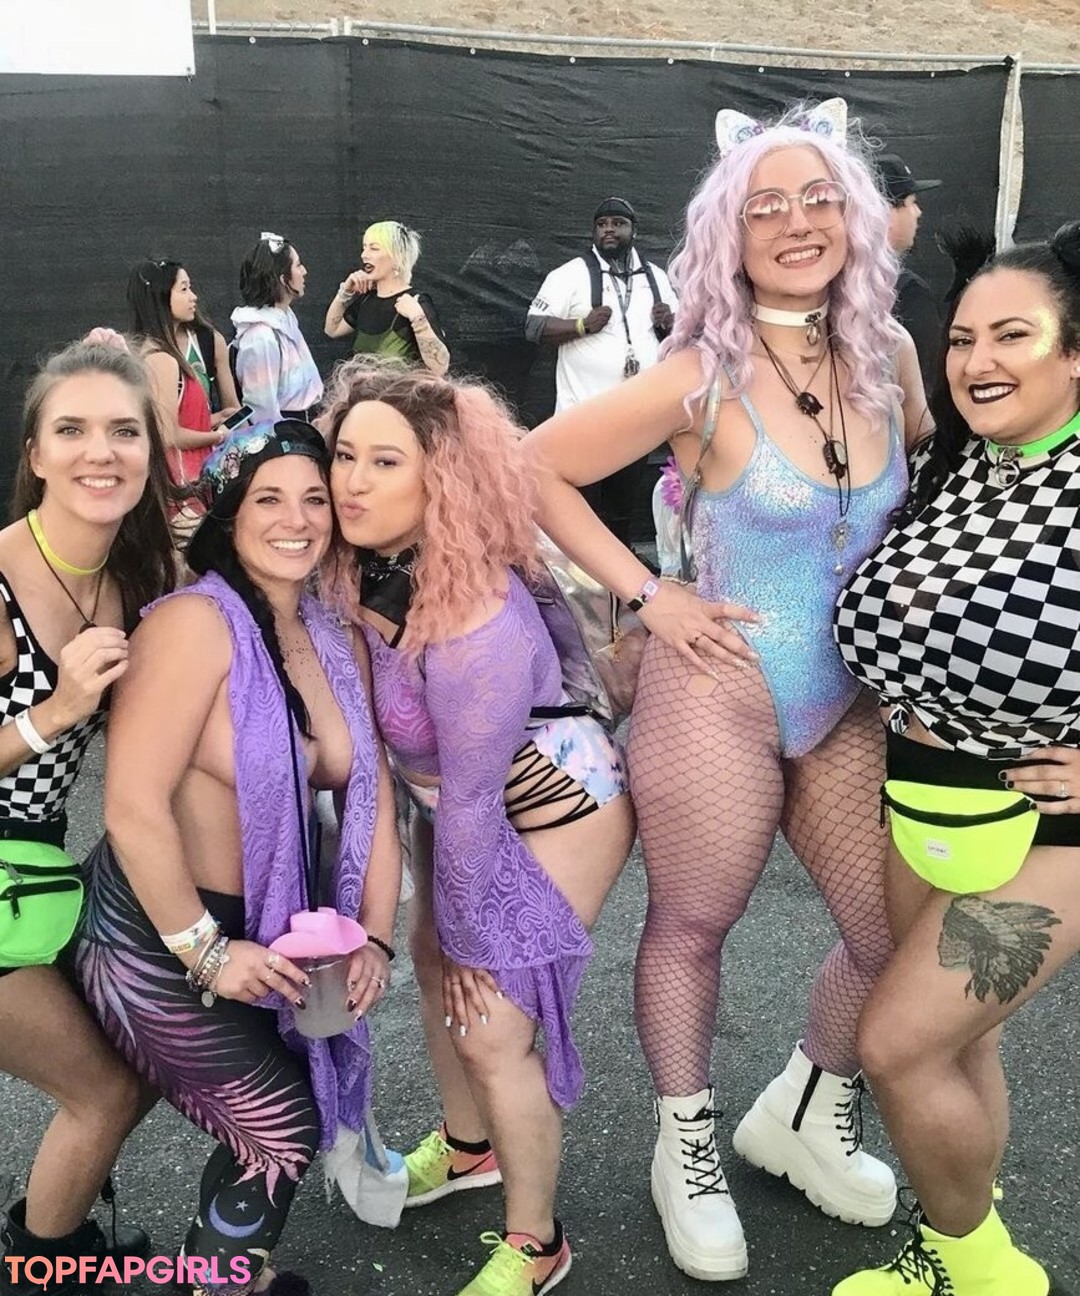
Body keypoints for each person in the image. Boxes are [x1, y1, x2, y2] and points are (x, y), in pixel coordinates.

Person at [525, 99, 931, 1281]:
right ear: (729, 238)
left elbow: (919, 474)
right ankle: (685, 1146)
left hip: (850, 696)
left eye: (818, 199)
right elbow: (534, 467)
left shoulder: (891, 355)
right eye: (766, 208)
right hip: (719, 688)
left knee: (891, 935)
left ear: (853, 216)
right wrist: (649, 597)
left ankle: (805, 1105)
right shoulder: (700, 373)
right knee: (694, 925)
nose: (797, 222)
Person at [320, 360, 635, 1296]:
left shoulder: (472, 624)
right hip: (454, 804)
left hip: (554, 812)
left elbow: (470, 805)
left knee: (490, 1024)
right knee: (433, 971)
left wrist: (466, 937)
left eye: (385, 462)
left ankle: (538, 1243)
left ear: (441, 481)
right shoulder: (367, 568)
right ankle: (470, 1150)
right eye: (344, 455)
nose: (352, 482)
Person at [74, 422, 401, 1296]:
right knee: (281, 1124)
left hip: (274, 932)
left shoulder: (332, 633)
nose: (297, 520)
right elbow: (132, 805)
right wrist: (207, 952)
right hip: (152, 931)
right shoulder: (192, 624)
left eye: (314, 499)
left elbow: (371, 793)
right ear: (228, 512)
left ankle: (227, 1273)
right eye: (269, 499)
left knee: (288, 1102)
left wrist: (374, 937)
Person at [830, 227, 1080, 1296]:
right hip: (922, 798)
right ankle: (951, 1249)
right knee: (960, 1046)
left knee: (896, 1046)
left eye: (1013, 335)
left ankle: (987, 1273)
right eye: (964, 337)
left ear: (1075, 351)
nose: (978, 360)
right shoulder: (957, 462)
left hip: (1047, 824)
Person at [0, 337, 175, 1294]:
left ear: (150, 452)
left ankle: (51, 1242)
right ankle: (46, 1268)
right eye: (70, 430)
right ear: (34, 454)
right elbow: (57, 723)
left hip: (36, 873)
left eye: (123, 431)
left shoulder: (132, 580)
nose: (99, 452)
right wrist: (57, 711)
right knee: (103, 1091)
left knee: (137, 1065)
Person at [525, 198, 679, 546]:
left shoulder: (656, 278)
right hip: (582, 417)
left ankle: (620, 567)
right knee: (583, 503)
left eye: (617, 223)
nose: (608, 230)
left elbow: (683, 337)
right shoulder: (570, 274)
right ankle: (580, 571)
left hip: (638, 418)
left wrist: (669, 324)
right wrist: (581, 325)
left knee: (623, 504)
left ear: (634, 230)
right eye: (602, 224)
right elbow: (533, 327)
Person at [127, 259, 238, 541]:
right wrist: (218, 436)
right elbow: (168, 434)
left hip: (187, 482)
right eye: (184, 289)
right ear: (161, 298)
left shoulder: (151, 351)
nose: (194, 297)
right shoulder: (161, 359)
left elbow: (171, 419)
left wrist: (214, 420)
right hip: (180, 485)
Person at [323, 221, 449, 376]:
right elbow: (332, 330)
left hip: (399, 391)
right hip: (362, 390)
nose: (364, 255)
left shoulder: (416, 301)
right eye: (364, 248)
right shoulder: (366, 300)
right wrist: (345, 292)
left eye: (374, 248)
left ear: (398, 256)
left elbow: (440, 368)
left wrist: (418, 318)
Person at [231, 233, 324, 427]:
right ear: (283, 278)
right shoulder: (260, 336)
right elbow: (261, 408)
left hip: (307, 425)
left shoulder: (285, 316)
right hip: (287, 431)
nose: (304, 271)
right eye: (298, 265)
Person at [879, 153, 943, 393]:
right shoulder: (910, 294)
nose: (917, 212)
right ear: (885, 213)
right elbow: (925, 387)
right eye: (911, 202)